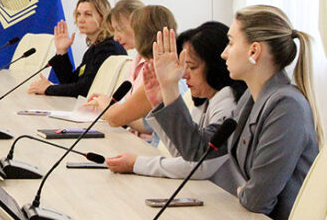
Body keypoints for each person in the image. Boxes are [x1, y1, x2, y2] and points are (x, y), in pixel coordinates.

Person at [149, 5, 322, 220]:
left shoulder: (287, 107)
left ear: (254, 51)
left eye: (230, 43)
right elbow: (197, 149)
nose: (224, 53)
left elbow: (257, 199)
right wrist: (169, 86)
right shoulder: (251, 98)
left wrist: (243, 191)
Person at [105, 22, 246, 180]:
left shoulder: (228, 101)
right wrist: (160, 105)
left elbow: (199, 166)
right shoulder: (205, 100)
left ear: (215, 66)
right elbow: (184, 152)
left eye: (192, 67)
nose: (184, 75)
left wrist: (137, 164)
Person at [94, 5, 177, 133]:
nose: (115, 37)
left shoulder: (159, 71)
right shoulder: (146, 62)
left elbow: (116, 118)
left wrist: (103, 104)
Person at [27, 0, 126, 97]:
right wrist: (62, 51)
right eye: (78, 14)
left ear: (103, 17)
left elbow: (84, 89)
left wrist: (48, 89)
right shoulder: (94, 49)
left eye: (88, 14)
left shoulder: (109, 48)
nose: (80, 19)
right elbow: (71, 82)